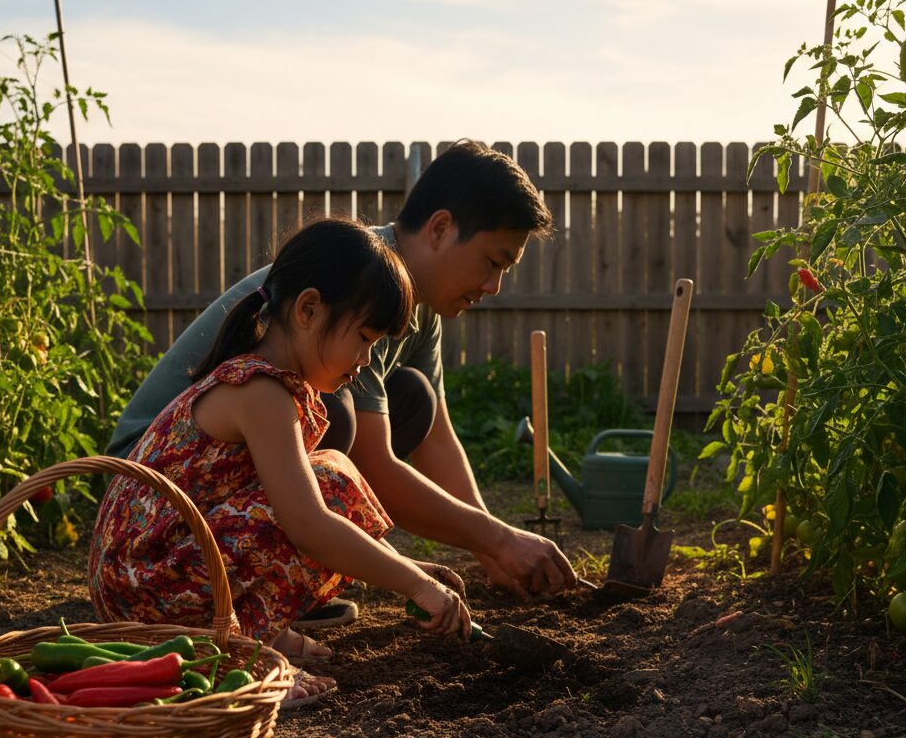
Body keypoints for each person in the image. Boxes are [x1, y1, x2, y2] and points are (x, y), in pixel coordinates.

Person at [107, 140, 577, 615]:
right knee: (333, 421)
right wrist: (474, 551)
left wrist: (495, 550)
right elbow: (369, 468)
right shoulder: (357, 283)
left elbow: (437, 440)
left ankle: (282, 584)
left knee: (412, 397)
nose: (494, 286)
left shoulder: (412, 307)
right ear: (440, 228)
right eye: (494, 262)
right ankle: (276, 588)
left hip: (207, 497)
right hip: (152, 497)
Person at [89, 219, 472, 708]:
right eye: (364, 337)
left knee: (328, 470)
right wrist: (415, 584)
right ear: (309, 309)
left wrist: (408, 568)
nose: (365, 358)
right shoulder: (260, 391)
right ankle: (242, 656)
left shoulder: (268, 382)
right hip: (142, 589)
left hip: (143, 576)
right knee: (329, 485)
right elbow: (309, 526)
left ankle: (259, 631)